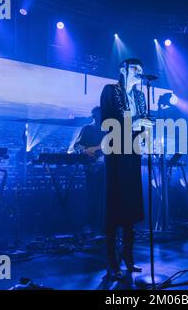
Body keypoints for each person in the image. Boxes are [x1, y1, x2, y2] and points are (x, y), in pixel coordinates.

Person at [100, 58, 151, 280]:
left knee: (130, 205)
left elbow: (142, 122)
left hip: (132, 152)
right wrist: (135, 124)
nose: (139, 73)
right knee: (115, 205)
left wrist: (144, 129)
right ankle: (111, 262)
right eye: (135, 69)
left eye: (141, 70)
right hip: (115, 151)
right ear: (123, 69)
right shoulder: (110, 90)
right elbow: (107, 120)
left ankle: (128, 258)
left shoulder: (140, 96)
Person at [73, 106, 106, 232]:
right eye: (98, 115)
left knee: (104, 197)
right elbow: (77, 145)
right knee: (92, 196)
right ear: (94, 116)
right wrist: (87, 151)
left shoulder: (108, 130)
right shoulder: (87, 128)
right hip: (91, 167)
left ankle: (102, 224)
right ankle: (90, 224)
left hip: (105, 167)